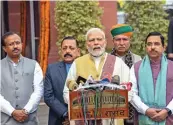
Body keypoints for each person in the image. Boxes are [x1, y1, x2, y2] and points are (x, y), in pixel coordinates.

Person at [63, 28, 130, 125]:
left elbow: (130, 90)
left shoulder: (118, 63)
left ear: (105, 42)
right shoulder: (77, 63)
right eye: (92, 40)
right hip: (85, 118)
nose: (96, 43)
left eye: (99, 39)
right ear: (87, 44)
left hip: (112, 119)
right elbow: (66, 91)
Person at [130, 32, 173, 125]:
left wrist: (167, 110)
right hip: (143, 118)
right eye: (149, 44)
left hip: (169, 118)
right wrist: (146, 110)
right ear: (146, 47)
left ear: (164, 47)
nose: (152, 47)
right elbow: (131, 93)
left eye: (156, 44)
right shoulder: (136, 67)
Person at [1, 32, 43, 125]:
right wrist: (12, 112)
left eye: (18, 43)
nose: (15, 46)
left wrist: (26, 111)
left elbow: (38, 91)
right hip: (6, 121)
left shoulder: (34, 64)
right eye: (11, 44)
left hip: (30, 120)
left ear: (22, 44)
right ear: (4, 48)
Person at [44, 36, 80, 125]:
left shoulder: (85, 68)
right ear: (61, 51)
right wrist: (66, 114)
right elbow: (48, 96)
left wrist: (75, 115)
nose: (67, 51)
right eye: (64, 48)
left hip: (81, 119)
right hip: (58, 120)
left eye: (71, 48)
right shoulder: (52, 69)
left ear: (78, 51)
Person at [110, 24, 142, 125]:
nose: (121, 43)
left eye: (125, 39)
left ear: (130, 41)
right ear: (113, 41)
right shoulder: (106, 60)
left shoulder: (138, 60)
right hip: (111, 107)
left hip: (133, 107)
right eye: (118, 40)